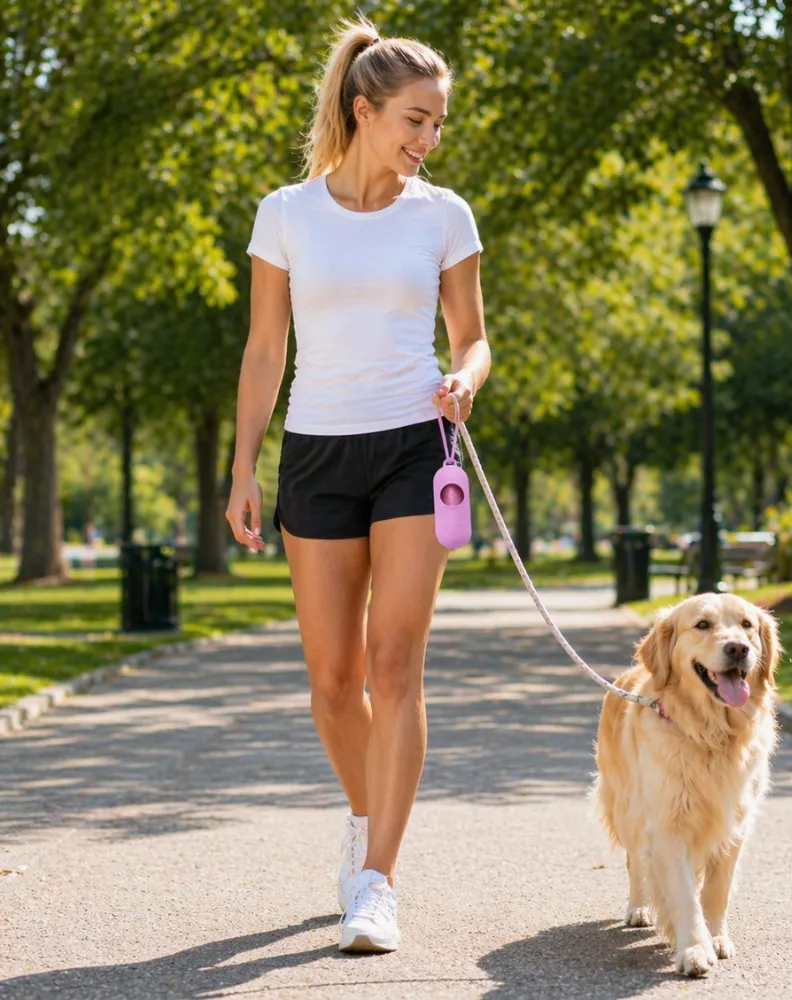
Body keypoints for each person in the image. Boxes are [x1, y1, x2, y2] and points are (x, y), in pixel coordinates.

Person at [225, 14, 490, 954]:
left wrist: (467, 377)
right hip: (318, 450)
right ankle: (363, 816)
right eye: (414, 121)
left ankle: (377, 879)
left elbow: (472, 334)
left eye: (437, 126)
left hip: (417, 445)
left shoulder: (445, 214)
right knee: (335, 683)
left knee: (393, 665)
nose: (426, 141)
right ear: (364, 109)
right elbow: (266, 349)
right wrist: (242, 464)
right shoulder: (286, 213)